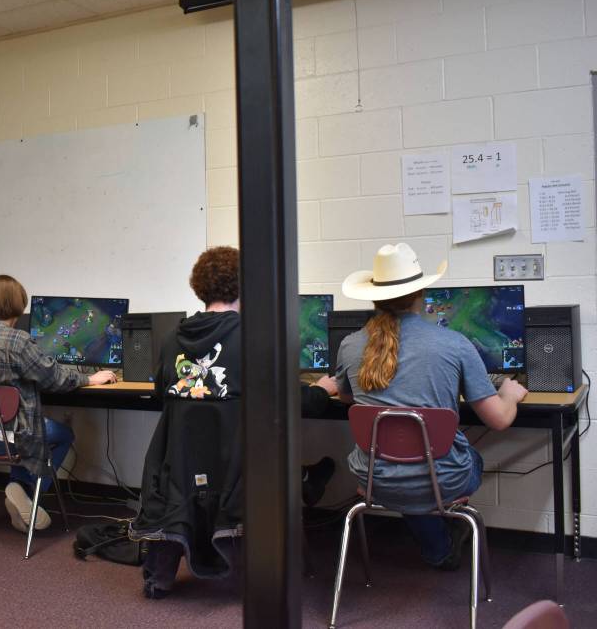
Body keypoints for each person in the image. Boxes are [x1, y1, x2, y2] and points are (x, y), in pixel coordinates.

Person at [130, 246, 337, 599]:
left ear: (200, 288)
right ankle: (302, 487)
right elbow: (291, 400)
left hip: (179, 472)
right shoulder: (257, 338)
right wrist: (322, 389)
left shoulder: (171, 339)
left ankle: (161, 575)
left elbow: (163, 391)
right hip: (242, 471)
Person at [335, 242, 527, 570]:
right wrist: (510, 394)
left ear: (373, 297)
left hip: (373, 480)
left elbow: (346, 397)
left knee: (405, 465)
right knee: (454, 463)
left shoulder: (350, 345)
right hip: (443, 481)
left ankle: (439, 547)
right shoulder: (454, 344)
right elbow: (498, 420)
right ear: (421, 294)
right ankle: (442, 542)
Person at [0, 275, 116, 533]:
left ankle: (20, 493)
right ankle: (27, 492)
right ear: (16, 305)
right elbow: (54, 377)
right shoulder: (17, 341)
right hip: (17, 435)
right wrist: (90, 378)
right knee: (63, 434)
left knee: (37, 430)